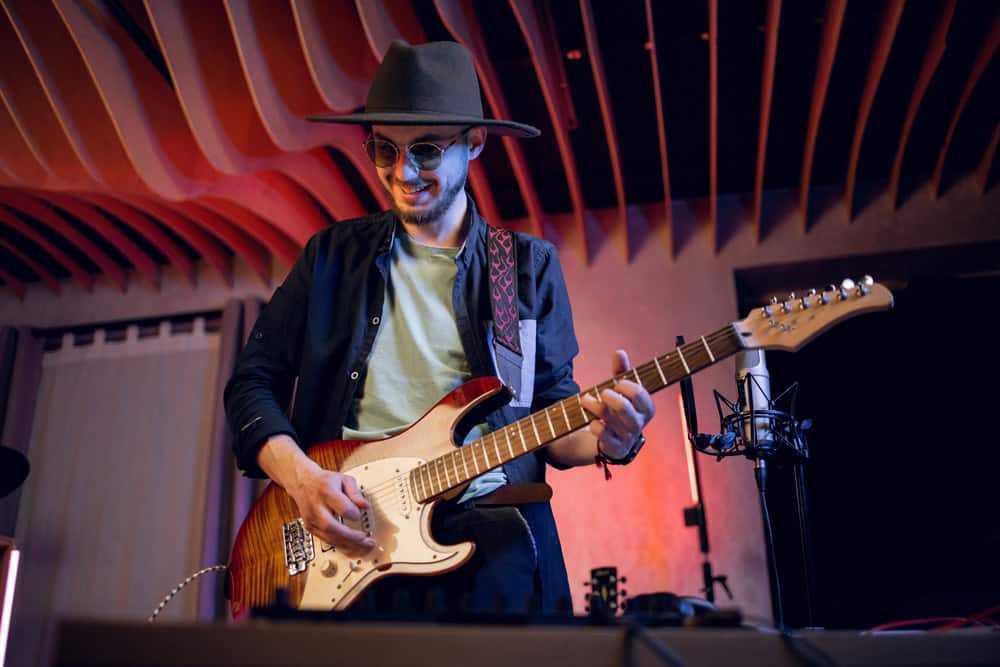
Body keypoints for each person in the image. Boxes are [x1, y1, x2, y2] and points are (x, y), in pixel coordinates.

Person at [224, 40, 655, 614]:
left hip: (488, 538)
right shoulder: (330, 257)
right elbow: (252, 381)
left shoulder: (525, 269)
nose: (403, 172)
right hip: (348, 536)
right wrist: (301, 479)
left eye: (426, 150)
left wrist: (609, 439)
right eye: (384, 149)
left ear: (475, 142)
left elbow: (552, 418)